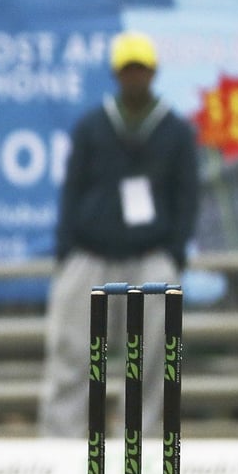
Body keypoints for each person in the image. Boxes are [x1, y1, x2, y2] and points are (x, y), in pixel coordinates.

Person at [39, 31, 200, 438]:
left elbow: (187, 194)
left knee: (154, 360)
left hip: (151, 256)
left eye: (141, 70)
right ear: (116, 73)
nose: (134, 78)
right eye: (128, 70)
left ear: (153, 73)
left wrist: (175, 251)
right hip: (91, 253)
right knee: (72, 352)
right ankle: (62, 444)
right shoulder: (94, 125)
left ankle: (146, 442)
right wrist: (67, 250)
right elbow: (72, 189)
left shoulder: (174, 129)